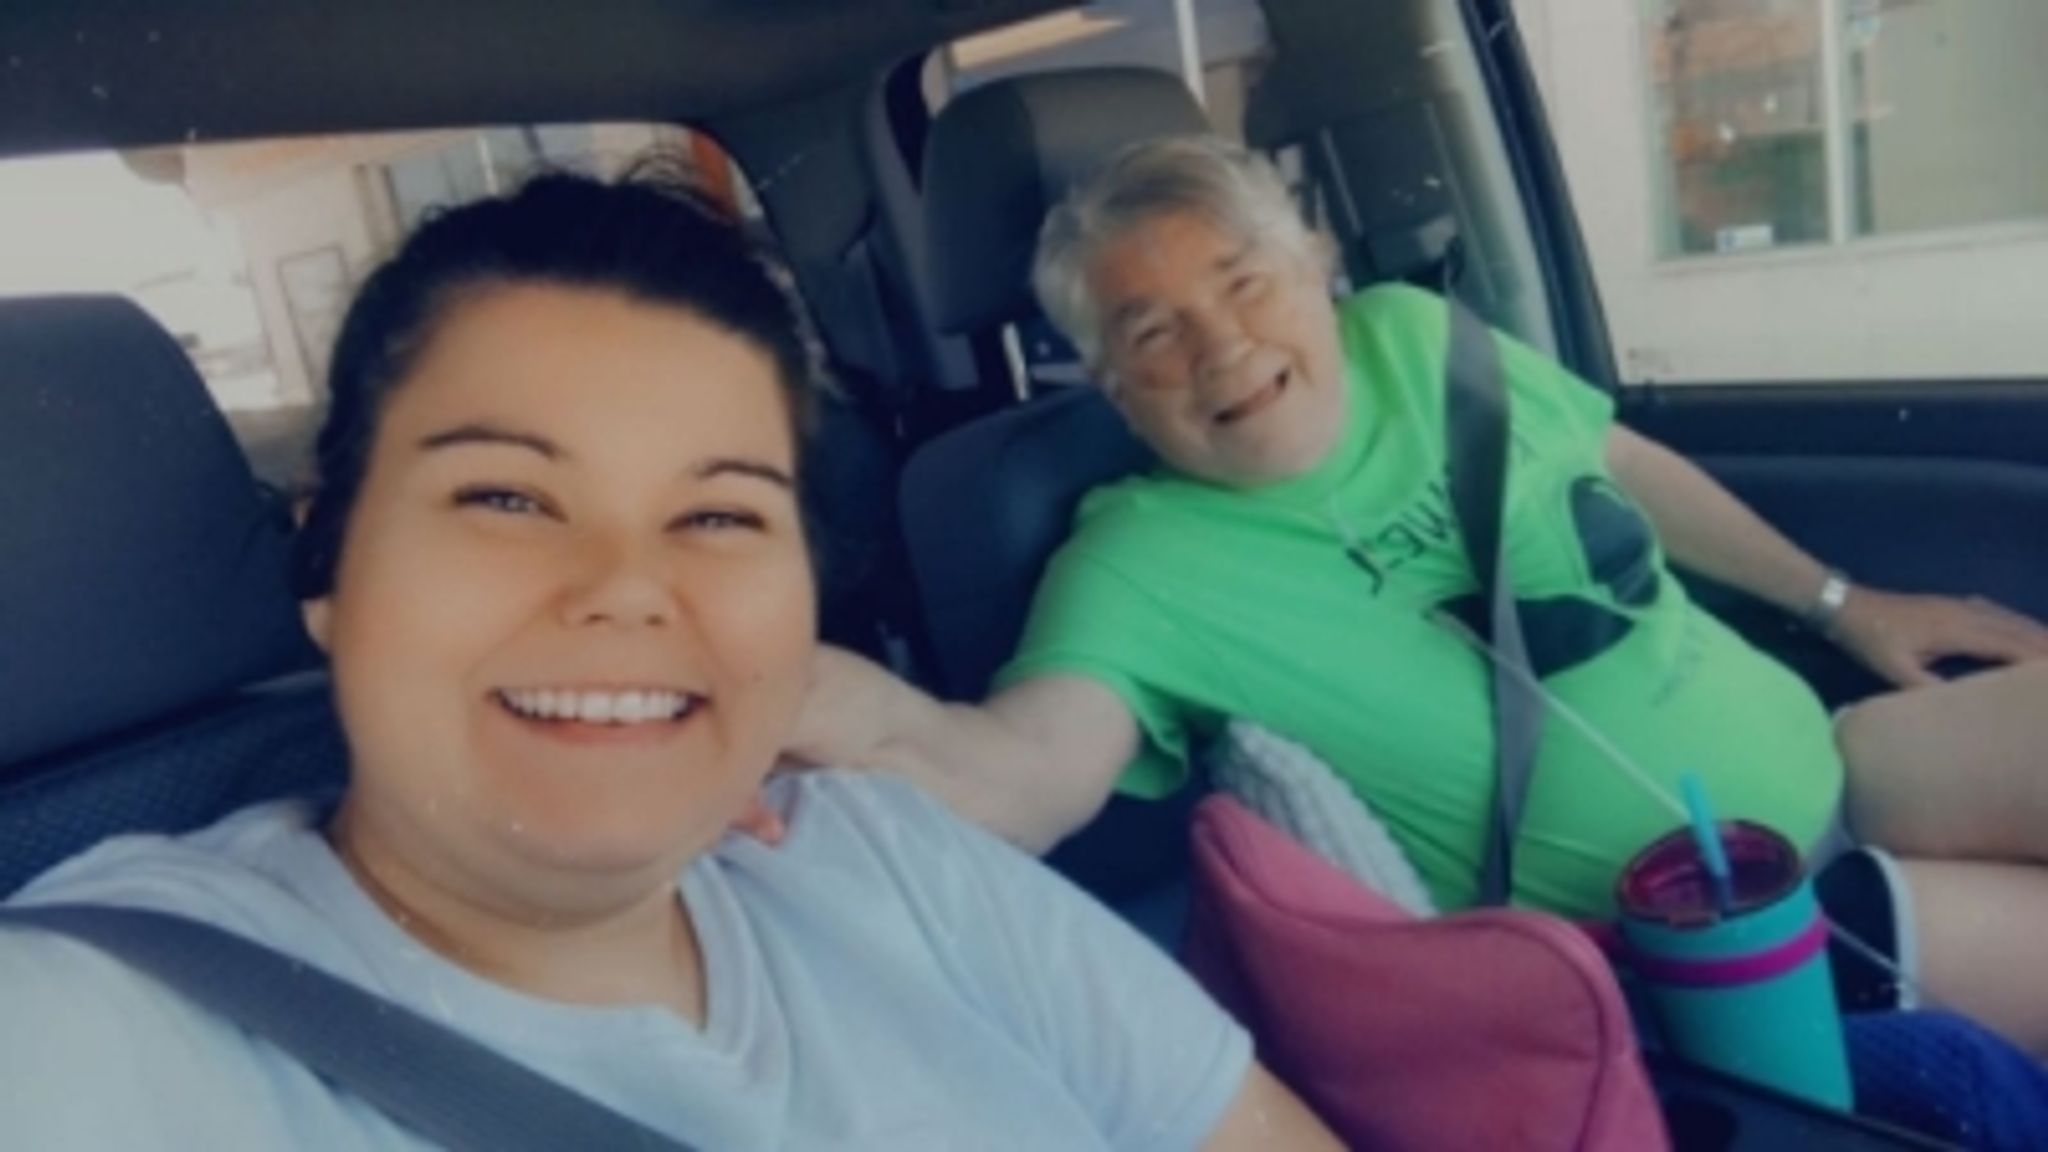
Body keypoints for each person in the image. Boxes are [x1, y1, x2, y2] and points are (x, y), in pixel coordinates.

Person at [0, 167, 1341, 1150]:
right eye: (506, 497)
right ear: (328, 566)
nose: (628, 588)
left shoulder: (894, 861)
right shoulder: (91, 1023)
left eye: (718, 516)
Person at [786, 136, 2048, 1053]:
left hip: (1833, 756)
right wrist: (862, 721)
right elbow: (1029, 767)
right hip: (1711, 938)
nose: (1222, 344)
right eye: (1152, 332)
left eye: (1242, 280)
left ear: (1315, 263)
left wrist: (1841, 601)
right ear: (1113, 388)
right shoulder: (1133, 564)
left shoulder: (1413, 338)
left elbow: (1614, 459)